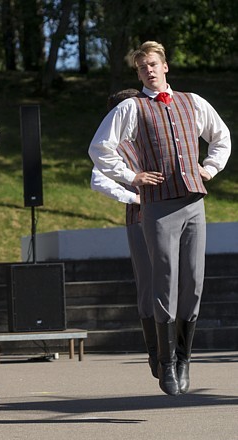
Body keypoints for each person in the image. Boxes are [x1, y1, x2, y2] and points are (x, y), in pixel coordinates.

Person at [89, 42, 231, 395]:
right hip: (156, 205)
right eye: (141, 68)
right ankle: (166, 362)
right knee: (164, 279)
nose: (148, 71)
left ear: (165, 66)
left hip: (193, 201)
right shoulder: (132, 107)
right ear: (138, 74)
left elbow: (221, 137)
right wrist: (130, 176)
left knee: (194, 281)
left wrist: (210, 168)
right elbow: (99, 148)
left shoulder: (192, 101)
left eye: (152, 64)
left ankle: (183, 358)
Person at [90, 89, 158, 379]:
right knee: (148, 285)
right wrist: (134, 197)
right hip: (141, 218)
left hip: (170, 214)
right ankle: (156, 351)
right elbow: (98, 181)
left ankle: (172, 349)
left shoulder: (154, 137)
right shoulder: (114, 147)